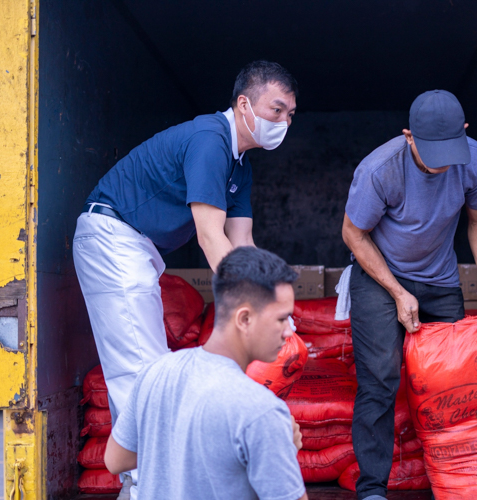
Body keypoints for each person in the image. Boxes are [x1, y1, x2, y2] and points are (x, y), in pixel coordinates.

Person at [73, 61, 298, 498]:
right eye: (276, 110)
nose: (284, 122)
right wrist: (257, 309)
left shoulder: (240, 164)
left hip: (138, 248)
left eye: (290, 114)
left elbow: (243, 241)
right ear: (244, 104)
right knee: (143, 373)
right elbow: (211, 238)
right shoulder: (210, 140)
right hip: (112, 237)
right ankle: (142, 487)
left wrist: (277, 306)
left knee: (151, 367)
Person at [341, 90, 477, 500]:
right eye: (429, 151)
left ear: (463, 133)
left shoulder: (475, 158)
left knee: (452, 382)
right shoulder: (380, 169)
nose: (440, 163)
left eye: (449, 150)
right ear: (409, 136)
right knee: (380, 379)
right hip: (380, 277)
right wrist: (398, 292)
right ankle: (373, 488)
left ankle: (457, 484)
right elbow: (353, 234)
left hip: (440, 278)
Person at [104, 246, 308, 500]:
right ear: (244, 319)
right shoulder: (261, 410)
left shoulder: (155, 373)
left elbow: (115, 459)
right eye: (282, 319)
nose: (289, 331)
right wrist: (283, 448)